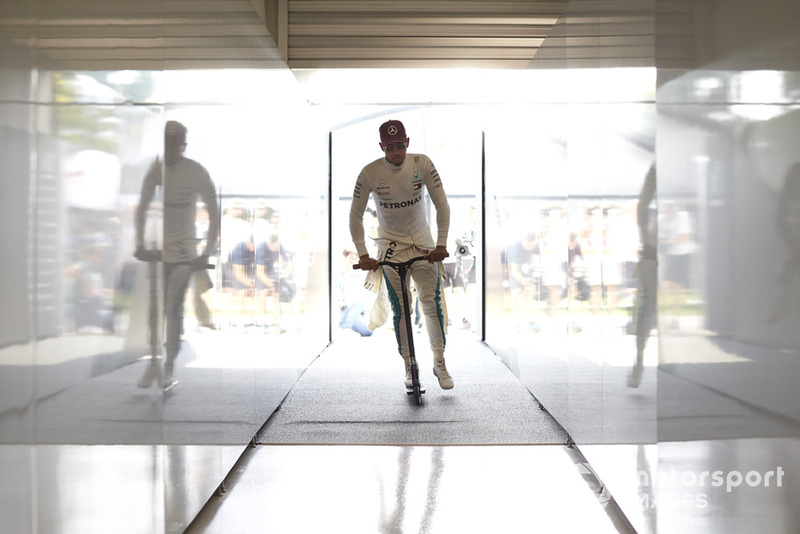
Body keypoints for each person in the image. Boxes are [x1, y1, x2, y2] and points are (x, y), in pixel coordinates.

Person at [349, 119, 453, 390]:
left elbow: (442, 204)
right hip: (390, 245)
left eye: (400, 145)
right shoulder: (369, 173)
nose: (396, 151)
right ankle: (409, 366)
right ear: (382, 146)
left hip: (423, 243)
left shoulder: (423, 164)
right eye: (390, 147)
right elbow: (355, 216)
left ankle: (439, 362)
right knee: (401, 308)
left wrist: (441, 244)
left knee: (431, 304)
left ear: (407, 142)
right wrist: (363, 254)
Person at [134, 120, 220, 388]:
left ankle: (168, 367)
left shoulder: (196, 172)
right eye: (166, 147)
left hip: (184, 252)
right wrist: (140, 243)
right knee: (154, 311)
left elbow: (215, 213)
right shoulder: (156, 168)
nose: (170, 153)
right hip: (159, 251)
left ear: (183, 146)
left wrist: (205, 253)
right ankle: (153, 364)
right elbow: (142, 206)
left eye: (174, 147)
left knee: (172, 310)